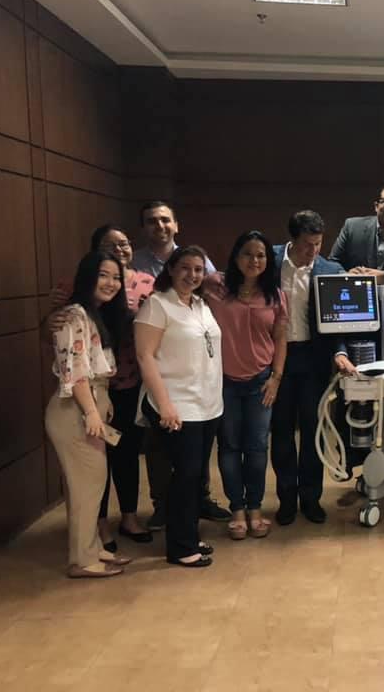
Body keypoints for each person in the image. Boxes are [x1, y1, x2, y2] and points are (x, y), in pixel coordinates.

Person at [47, 225, 155, 552]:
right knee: (91, 475)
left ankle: (118, 526)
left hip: (120, 389)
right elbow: (72, 363)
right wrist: (92, 411)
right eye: (110, 247)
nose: (111, 281)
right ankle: (93, 539)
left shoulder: (139, 286)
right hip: (84, 399)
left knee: (119, 460)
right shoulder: (75, 305)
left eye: (124, 244)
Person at [130, 201, 228, 529]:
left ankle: (190, 520)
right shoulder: (156, 301)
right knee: (176, 467)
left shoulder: (200, 303)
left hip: (205, 402)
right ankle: (177, 529)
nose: (193, 275)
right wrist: (165, 405)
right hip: (173, 399)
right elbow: (145, 355)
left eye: (198, 270)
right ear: (171, 270)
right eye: (185, 268)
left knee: (194, 469)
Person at [45, 251, 132, 577]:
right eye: (103, 275)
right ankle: (82, 560)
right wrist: (92, 412)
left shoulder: (92, 313)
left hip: (90, 403)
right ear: (87, 276)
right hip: (75, 409)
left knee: (90, 483)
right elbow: (76, 371)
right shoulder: (73, 315)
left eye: (116, 277)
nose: (111, 283)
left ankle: (92, 548)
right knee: (87, 485)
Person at [271, 210, 355, 526]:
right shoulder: (270, 261)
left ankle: (310, 498)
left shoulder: (330, 270)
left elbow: (338, 321)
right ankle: (286, 499)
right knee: (281, 431)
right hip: (277, 358)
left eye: (319, 244)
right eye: (308, 244)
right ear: (292, 240)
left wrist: (340, 353)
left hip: (314, 359)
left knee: (313, 430)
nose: (314, 251)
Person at [203, 231, 288, 540]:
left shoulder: (275, 295)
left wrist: (276, 378)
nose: (254, 260)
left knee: (257, 447)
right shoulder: (215, 285)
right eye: (248, 254)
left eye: (261, 255)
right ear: (236, 256)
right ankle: (236, 509)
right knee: (229, 447)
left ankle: (255, 508)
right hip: (223, 383)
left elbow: (280, 339)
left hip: (261, 382)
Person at [131, 200, 217, 278]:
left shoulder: (198, 259)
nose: (160, 226)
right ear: (142, 229)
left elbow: (215, 287)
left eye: (165, 220)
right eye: (152, 222)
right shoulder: (132, 262)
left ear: (176, 226)